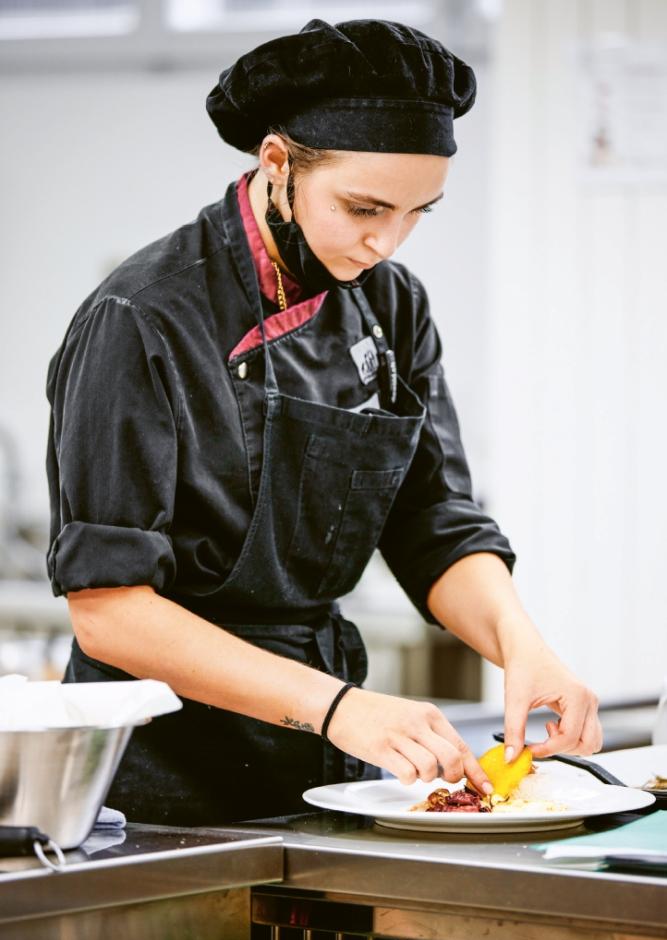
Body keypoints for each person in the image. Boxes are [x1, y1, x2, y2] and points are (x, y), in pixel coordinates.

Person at [46, 18, 601, 825]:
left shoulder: (390, 304)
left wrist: (522, 646)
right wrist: (342, 707)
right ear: (277, 163)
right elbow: (108, 609)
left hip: (325, 762)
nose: (385, 241)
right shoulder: (143, 316)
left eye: (418, 213)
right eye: (363, 206)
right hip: (158, 774)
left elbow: (432, 521)